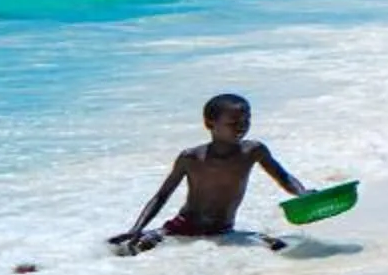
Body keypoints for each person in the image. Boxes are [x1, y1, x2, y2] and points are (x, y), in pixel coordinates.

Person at [110, 93, 308, 253]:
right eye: (233, 123)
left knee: (280, 247)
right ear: (210, 124)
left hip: (224, 231)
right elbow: (161, 196)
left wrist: (302, 193)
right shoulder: (191, 158)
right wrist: (136, 229)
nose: (242, 127)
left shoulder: (253, 151)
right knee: (126, 249)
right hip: (182, 229)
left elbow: (284, 177)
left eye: (246, 121)